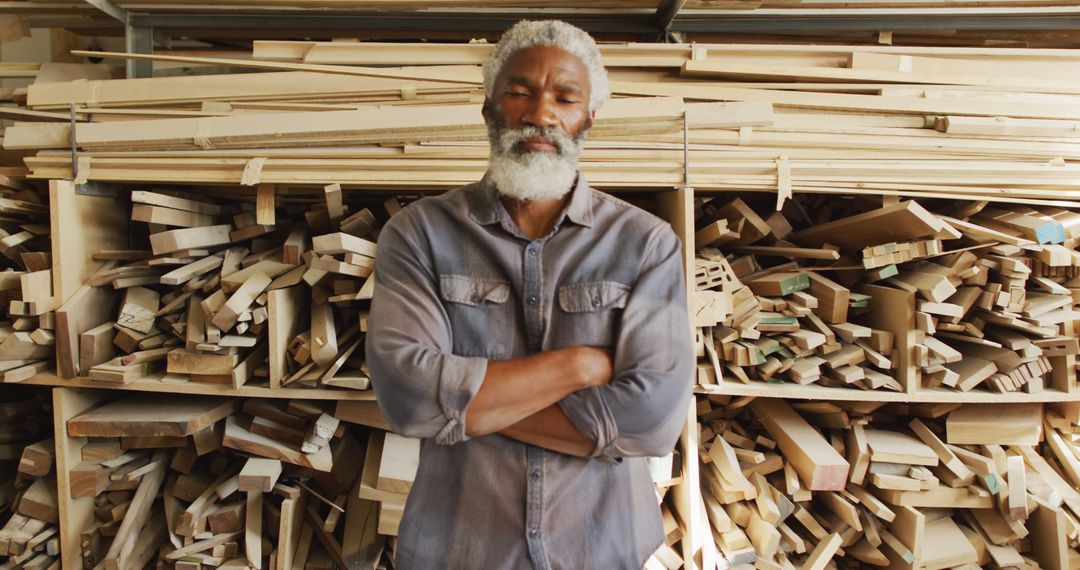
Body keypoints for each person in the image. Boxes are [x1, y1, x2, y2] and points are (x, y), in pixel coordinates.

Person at [366, 19, 694, 569]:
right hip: (460, 548)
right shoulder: (420, 233)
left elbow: (653, 418)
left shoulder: (644, 244)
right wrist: (578, 365)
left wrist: (458, 408)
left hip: (602, 547)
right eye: (520, 92)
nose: (541, 114)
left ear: (589, 117)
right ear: (490, 108)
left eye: (565, 97)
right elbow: (405, 393)